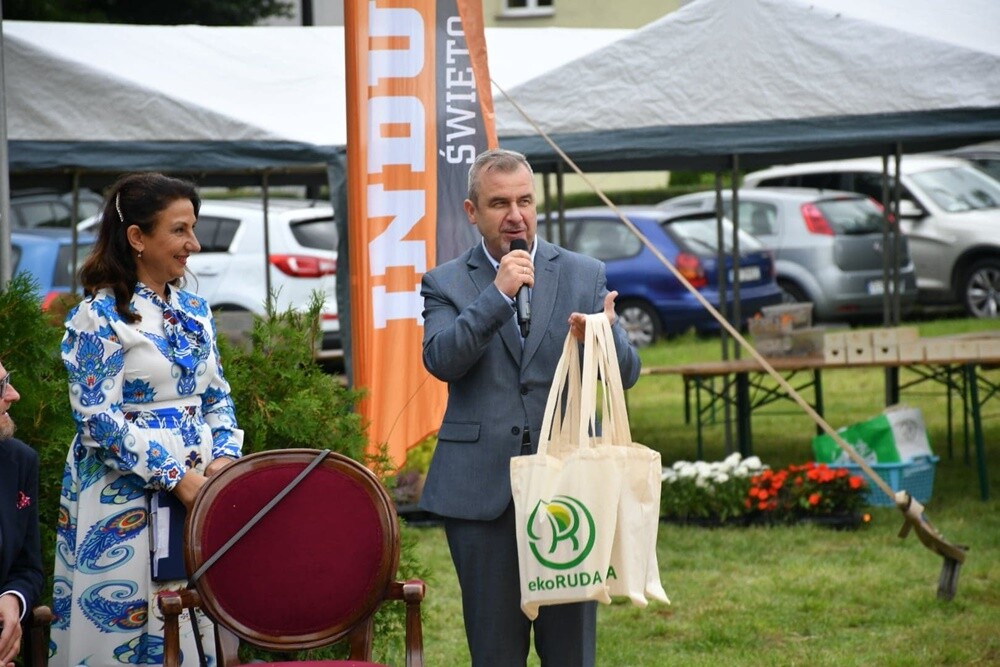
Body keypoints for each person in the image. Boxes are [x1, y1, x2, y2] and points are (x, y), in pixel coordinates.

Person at [419, 148, 642, 666]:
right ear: (473, 212)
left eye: (524, 200)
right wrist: (497, 295)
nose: (515, 215)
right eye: (499, 203)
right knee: (495, 652)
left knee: (570, 652)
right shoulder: (445, 282)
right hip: (482, 494)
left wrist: (601, 340)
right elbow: (442, 359)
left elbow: (627, 373)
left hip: (568, 489)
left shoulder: (584, 273)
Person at [50, 173, 244, 666]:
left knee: (194, 618)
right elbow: (95, 418)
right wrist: (175, 476)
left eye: (193, 229)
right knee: (125, 631)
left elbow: (217, 396)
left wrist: (224, 460)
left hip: (199, 494)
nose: (193, 245)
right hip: (123, 498)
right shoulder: (98, 317)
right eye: (180, 231)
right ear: (137, 237)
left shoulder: (195, 311)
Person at [0, 361, 44, 667]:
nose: (14, 395)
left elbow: (28, 568)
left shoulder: (19, 461)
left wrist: (13, 600)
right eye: (1, 387)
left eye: (8, 381)